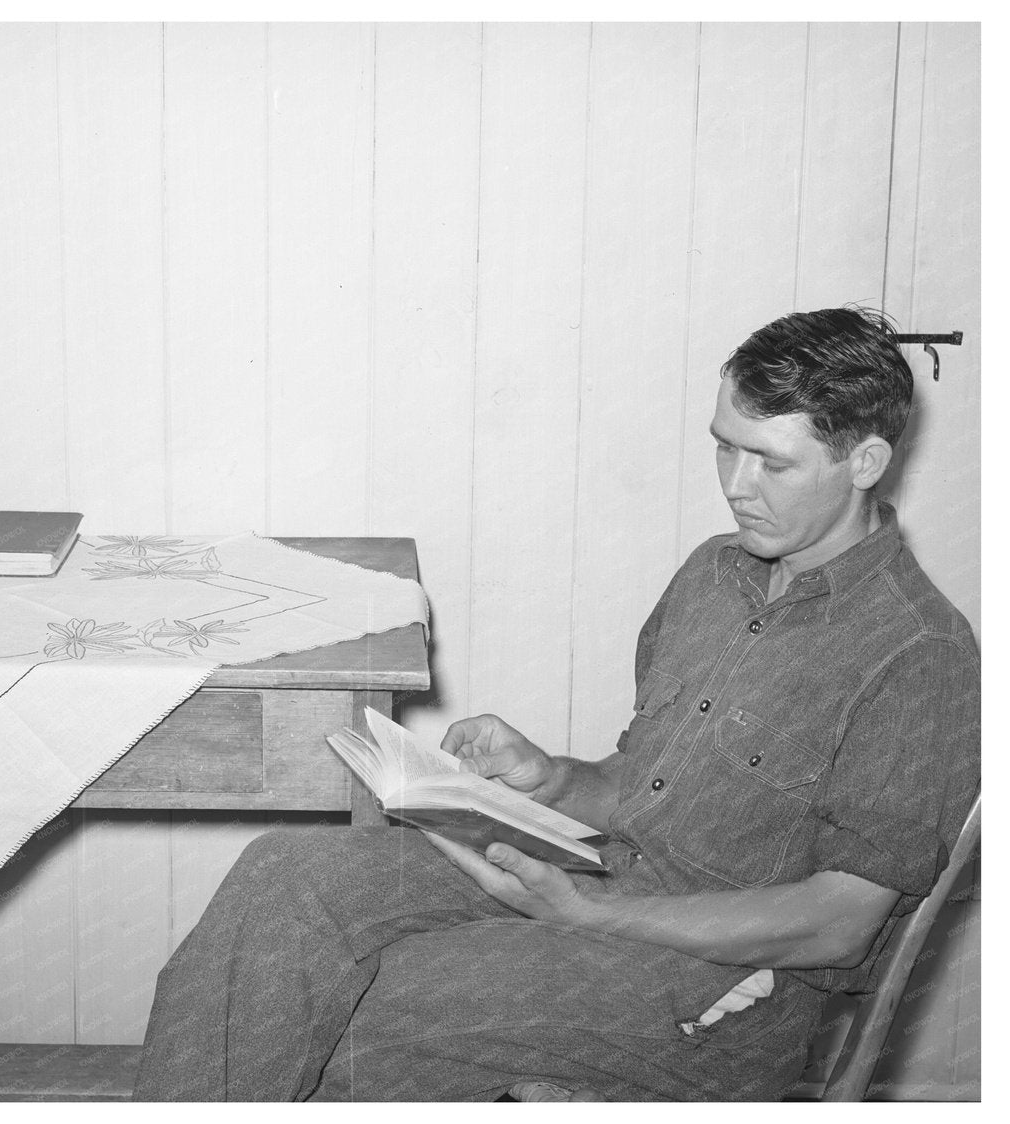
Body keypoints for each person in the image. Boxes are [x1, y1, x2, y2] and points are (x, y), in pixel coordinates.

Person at [133, 307, 980, 1101]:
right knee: (285, 880)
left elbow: (838, 925)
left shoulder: (919, 656)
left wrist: (599, 913)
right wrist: (548, 779)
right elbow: (638, 788)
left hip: (721, 995)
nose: (736, 484)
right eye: (725, 448)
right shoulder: (715, 575)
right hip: (606, 876)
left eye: (773, 462)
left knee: (388, 1000)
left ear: (864, 462)